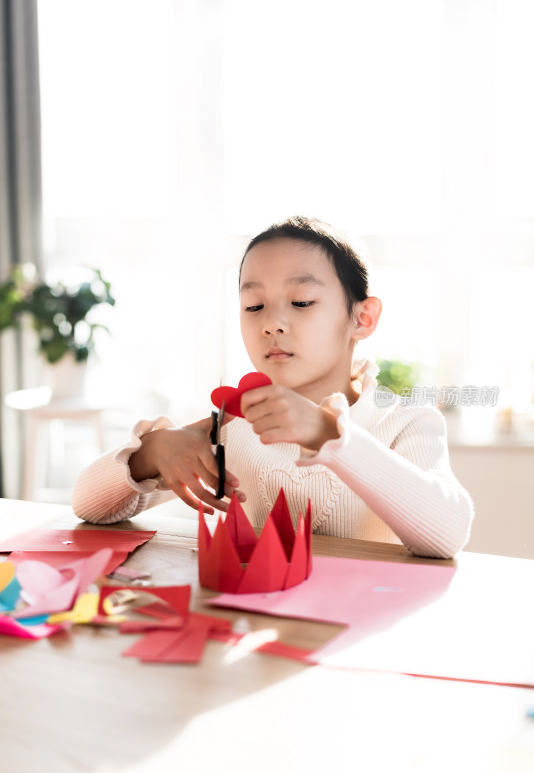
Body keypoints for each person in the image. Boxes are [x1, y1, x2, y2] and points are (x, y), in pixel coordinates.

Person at [72, 216, 473, 558]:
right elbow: (87, 505)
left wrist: (327, 434)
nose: (272, 323)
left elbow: (447, 534)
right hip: (257, 633)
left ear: (362, 318)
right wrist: (153, 452)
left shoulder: (405, 422)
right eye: (254, 306)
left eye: (301, 302)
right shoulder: (233, 428)